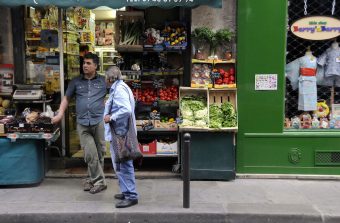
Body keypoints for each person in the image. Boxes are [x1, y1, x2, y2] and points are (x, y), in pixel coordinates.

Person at [52, 52, 107, 194]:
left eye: (88, 63)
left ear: (95, 65)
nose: (85, 66)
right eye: (84, 63)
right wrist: (60, 113)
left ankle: (91, 179)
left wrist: (111, 111)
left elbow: (114, 96)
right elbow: (66, 99)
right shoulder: (75, 82)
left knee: (100, 153)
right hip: (82, 122)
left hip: (99, 121)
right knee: (90, 153)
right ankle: (100, 182)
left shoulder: (103, 81)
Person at [104, 66, 139, 208]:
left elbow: (126, 109)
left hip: (121, 133)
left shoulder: (118, 90)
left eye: (106, 78)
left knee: (124, 164)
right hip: (121, 132)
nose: (105, 81)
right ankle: (126, 191)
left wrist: (111, 116)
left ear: (110, 78)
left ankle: (131, 195)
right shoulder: (121, 87)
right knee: (121, 163)